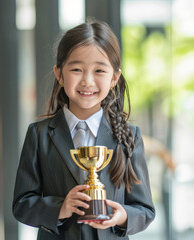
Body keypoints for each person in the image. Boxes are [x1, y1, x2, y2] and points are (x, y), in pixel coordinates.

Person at [12, 18, 155, 240]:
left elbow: (145, 210)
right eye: (77, 69)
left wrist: (122, 216)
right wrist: (60, 208)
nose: (87, 81)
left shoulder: (129, 136)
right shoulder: (39, 134)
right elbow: (22, 204)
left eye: (99, 71)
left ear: (114, 78)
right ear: (59, 74)